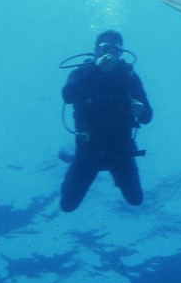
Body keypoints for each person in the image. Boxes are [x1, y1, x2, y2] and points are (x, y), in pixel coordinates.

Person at [60, 30, 153, 211]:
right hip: (87, 151)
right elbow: (67, 96)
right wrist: (96, 70)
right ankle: (74, 160)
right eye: (106, 48)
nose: (111, 53)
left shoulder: (129, 77)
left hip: (121, 151)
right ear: (96, 50)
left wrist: (140, 110)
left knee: (135, 200)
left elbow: (148, 117)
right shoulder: (82, 73)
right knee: (67, 205)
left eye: (117, 50)